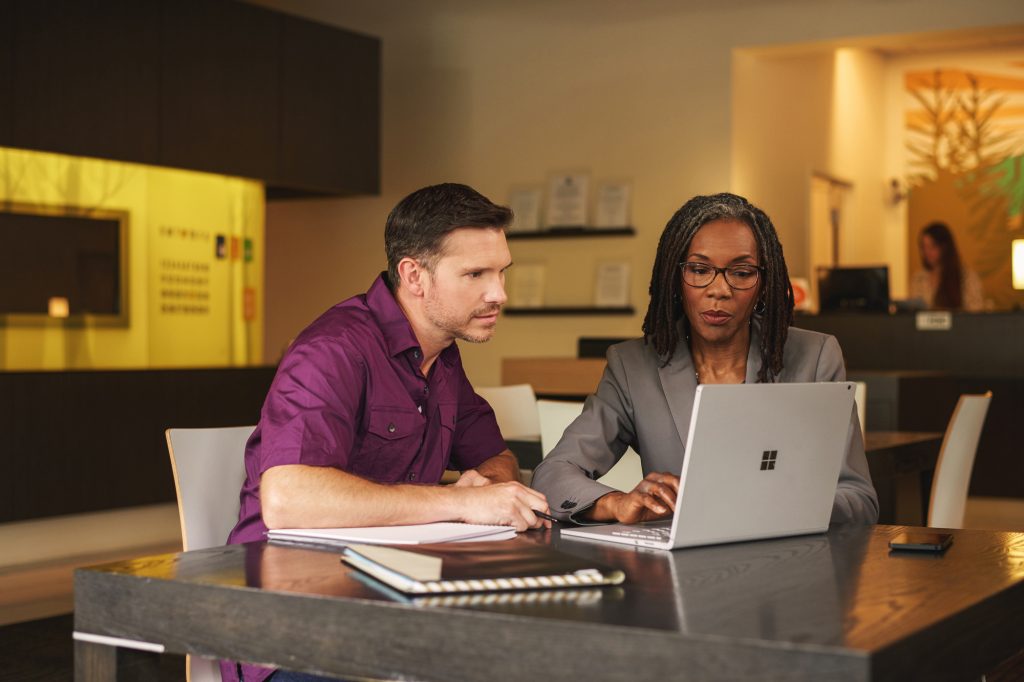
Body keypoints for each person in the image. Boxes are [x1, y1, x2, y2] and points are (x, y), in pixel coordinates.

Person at [225, 183, 550, 682]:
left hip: (395, 606)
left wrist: (484, 488)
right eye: (475, 274)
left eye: (501, 272)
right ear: (413, 276)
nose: (499, 293)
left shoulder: (442, 358)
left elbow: (495, 460)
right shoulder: (331, 349)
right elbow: (289, 497)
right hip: (296, 628)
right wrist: (459, 503)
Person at [531, 192, 878, 526]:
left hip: (785, 567)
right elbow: (554, 474)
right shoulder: (632, 366)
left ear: (763, 283)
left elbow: (858, 500)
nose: (719, 289)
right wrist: (616, 503)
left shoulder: (815, 358)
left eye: (741, 273)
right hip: (679, 571)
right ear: (675, 279)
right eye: (699, 270)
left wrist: (773, 505)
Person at [910, 221, 984, 311]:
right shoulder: (919, 279)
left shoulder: (967, 278)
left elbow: (975, 313)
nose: (927, 252)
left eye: (932, 246)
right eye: (924, 247)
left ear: (945, 247)